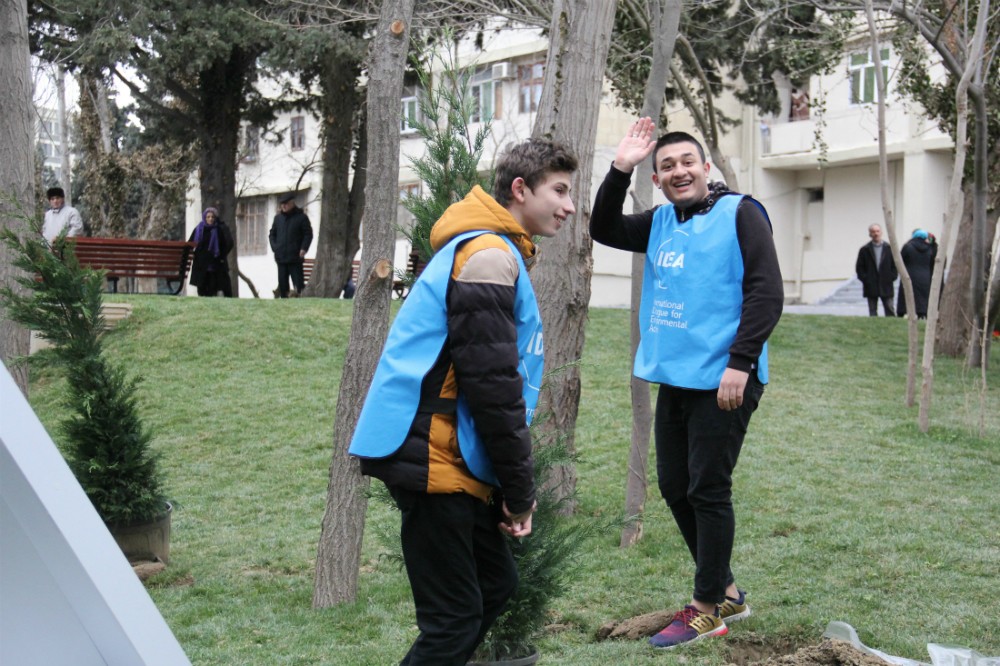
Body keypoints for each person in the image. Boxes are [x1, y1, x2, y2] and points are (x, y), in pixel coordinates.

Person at [348, 139, 578, 665]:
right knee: (452, 622)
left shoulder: (494, 250)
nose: (568, 206)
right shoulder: (488, 257)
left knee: (495, 584)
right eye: (559, 191)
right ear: (520, 190)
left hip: (455, 458)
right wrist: (520, 491)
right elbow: (494, 388)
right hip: (436, 458)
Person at [590, 118, 784, 650]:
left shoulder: (740, 213)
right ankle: (727, 591)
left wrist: (740, 363)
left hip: (727, 379)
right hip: (679, 376)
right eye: (667, 166)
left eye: (687, 162)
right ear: (657, 178)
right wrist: (620, 166)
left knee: (708, 488)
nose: (679, 171)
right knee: (676, 486)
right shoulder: (659, 222)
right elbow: (602, 227)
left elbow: (767, 293)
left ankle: (706, 610)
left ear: (706, 168)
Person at [268, 193, 313, 298]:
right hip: (281, 258)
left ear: (292, 203)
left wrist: (303, 248)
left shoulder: (301, 217)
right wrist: (275, 247)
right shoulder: (278, 219)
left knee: (299, 287)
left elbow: (308, 234)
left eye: (286, 204)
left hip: (295, 258)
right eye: (282, 204)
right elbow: (272, 234)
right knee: (283, 287)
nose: (284, 206)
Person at [188, 207, 234, 297]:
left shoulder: (218, 230)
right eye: (208, 217)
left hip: (213, 264)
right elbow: (191, 243)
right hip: (200, 264)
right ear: (204, 218)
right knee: (201, 287)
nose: (210, 219)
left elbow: (224, 245)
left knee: (212, 287)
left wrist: (220, 257)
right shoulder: (199, 229)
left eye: (212, 217)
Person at [855, 223, 897, 317]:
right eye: (873, 231)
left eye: (877, 231)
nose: (876, 233)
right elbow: (859, 268)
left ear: (881, 232)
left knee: (890, 309)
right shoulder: (864, 250)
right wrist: (866, 279)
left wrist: (891, 277)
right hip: (871, 284)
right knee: (872, 310)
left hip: (886, 284)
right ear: (870, 234)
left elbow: (895, 265)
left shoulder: (889, 248)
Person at [896, 229, 936, 319]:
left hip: (909, 275)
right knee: (923, 296)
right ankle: (922, 312)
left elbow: (900, 260)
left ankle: (903, 311)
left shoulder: (907, 246)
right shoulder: (929, 248)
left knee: (907, 294)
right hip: (925, 277)